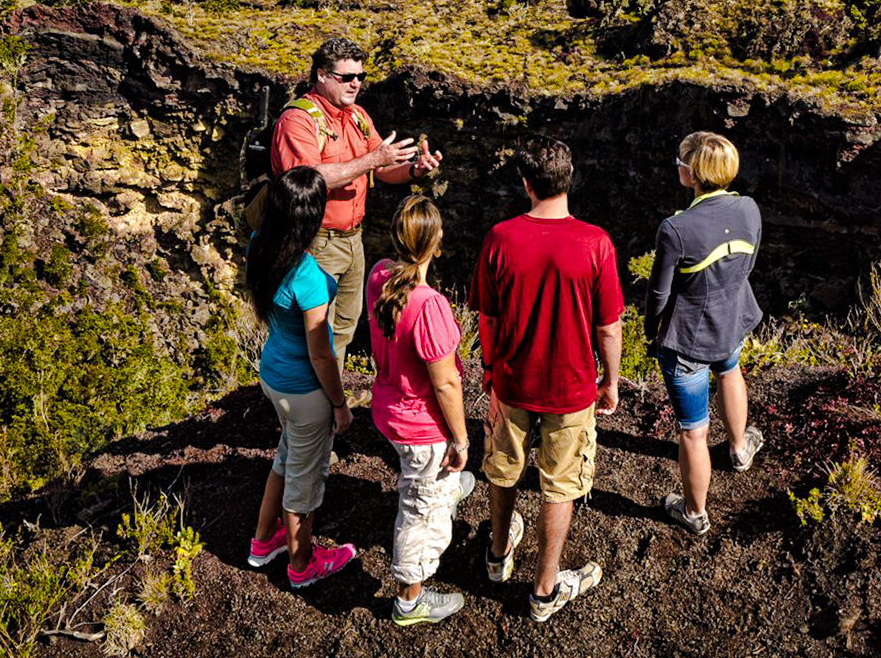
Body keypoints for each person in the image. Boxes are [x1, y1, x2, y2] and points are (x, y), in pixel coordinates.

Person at [470, 135, 624, 624]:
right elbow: (609, 326)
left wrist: (490, 369)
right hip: (571, 386)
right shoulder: (596, 242)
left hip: (512, 380)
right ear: (569, 177)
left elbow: (488, 319)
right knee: (560, 484)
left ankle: (497, 554)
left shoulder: (500, 238)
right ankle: (544, 588)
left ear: (525, 183)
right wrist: (611, 381)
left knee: (502, 468)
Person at [270, 36, 443, 363]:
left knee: (346, 325)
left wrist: (414, 170)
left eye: (360, 77)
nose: (355, 84)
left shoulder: (357, 116)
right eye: (346, 77)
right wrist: (372, 160)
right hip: (314, 241)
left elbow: (384, 168)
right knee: (315, 328)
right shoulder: (299, 120)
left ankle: (335, 394)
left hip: (353, 241)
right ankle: (314, 398)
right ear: (321, 75)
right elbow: (310, 180)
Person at [645, 131, 765, 535]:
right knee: (730, 371)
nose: (677, 166)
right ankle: (739, 449)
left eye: (680, 161)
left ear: (692, 173)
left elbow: (659, 292)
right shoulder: (749, 208)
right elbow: (747, 267)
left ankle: (694, 512)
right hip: (732, 322)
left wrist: (650, 331)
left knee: (693, 431)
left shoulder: (676, 229)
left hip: (689, 338)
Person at [245, 165, 358, 588]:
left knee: (286, 457)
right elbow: (322, 353)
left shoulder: (260, 244)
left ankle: (263, 542)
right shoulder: (307, 275)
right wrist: (340, 405)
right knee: (305, 487)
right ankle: (301, 565)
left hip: (273, 374)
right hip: (306, 391)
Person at [366, 196, 475, 627]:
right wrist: (461, 440)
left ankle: (444, 488)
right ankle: (410, 602)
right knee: (419, 514)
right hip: (420, 428)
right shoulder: (429, 305)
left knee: (428, 483)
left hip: (388, 408)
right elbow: (446, 382)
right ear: (437, 242)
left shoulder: (379, 275)